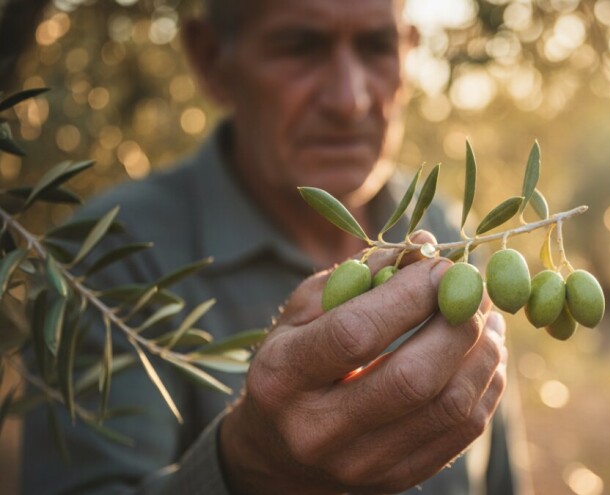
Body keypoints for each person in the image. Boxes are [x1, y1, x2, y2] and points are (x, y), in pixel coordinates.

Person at [21, 0, 518, 493]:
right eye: (300, 47)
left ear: (410, 49)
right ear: (212, 59)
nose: (350, 99)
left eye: (377, 46)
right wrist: (249, 468)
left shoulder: (445, 231)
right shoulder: (105, 254)